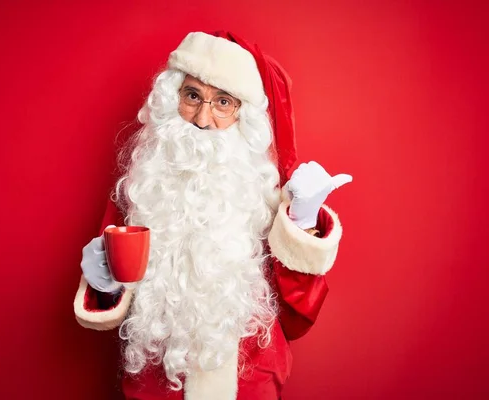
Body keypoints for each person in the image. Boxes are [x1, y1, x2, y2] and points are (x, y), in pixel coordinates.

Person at [74, 31, 352, 400]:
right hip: (158, 384)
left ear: (244, 116)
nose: (202, 120)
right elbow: (113, 295)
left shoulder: (263, 194)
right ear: (171, 98)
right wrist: (103, 286)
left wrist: (302, 221)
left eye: (223, 102)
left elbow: (301, 309)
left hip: (248, 381)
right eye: (192, 96)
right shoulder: (142, 187)